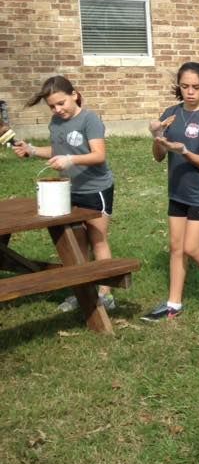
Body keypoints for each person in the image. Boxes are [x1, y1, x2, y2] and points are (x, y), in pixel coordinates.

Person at [14, 76, 116, 310]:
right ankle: (82, 292)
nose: (58, 109)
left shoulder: (89, 119)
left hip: (95, 189)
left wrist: (71, 159)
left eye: (61, 103)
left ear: (75, 95)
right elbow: (58, 150)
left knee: (97, 239)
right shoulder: (55, 122)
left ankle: (106, 293)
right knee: (75, 243)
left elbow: (99, 155)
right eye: (52, 106)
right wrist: (31, 150)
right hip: (68, 190)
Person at [142, 62, 199, 321]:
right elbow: (159, 156)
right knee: (175, 247)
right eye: (184, 86)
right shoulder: (171, 113)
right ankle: (174, 303)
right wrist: (157, 135)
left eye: (196, 87)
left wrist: (184, 151)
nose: (190, 92)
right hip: (177, 191)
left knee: (192, 247)